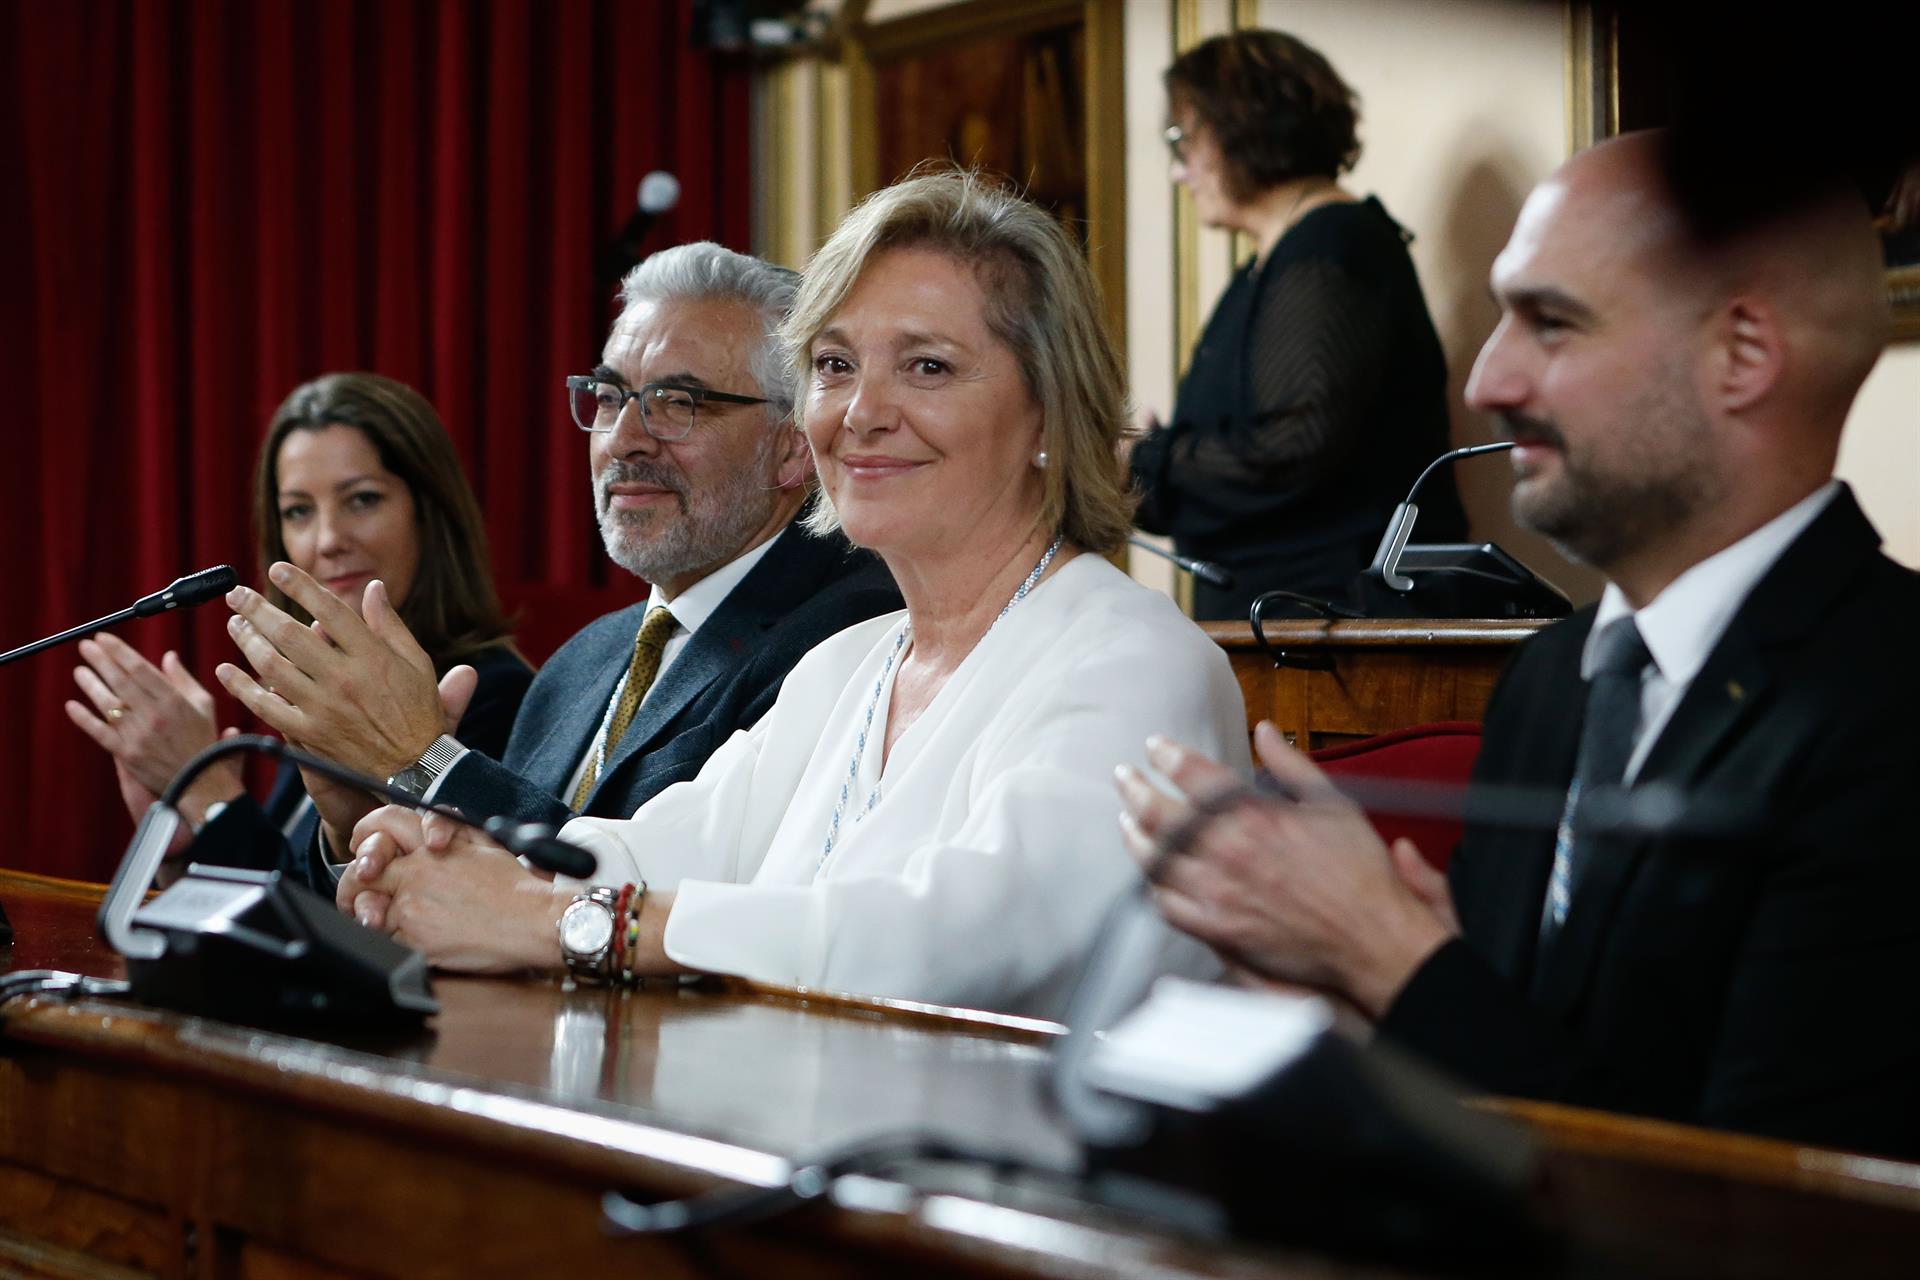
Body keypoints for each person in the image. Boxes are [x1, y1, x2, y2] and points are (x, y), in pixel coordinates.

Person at [1117, 130, 1920, 1157]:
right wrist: (1332, 985)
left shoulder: (1891, 704)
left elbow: (1757, 1208)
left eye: (1551, 322)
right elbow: (1501, 1087)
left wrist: (1386, 951)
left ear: (1744, 355)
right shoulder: (1548, 677)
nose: (1490, 378)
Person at [335, 171, 1251, 1020]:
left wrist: (555, 924)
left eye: (926, 366)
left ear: (1050, 413)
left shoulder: (1140, 664)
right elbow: (651, 851)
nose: (861, 412)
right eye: (835, 364)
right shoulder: (849, 663)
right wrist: (447, 863)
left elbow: (951, 946)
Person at [216, 244, 902, 889]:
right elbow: (463, 904)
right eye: (609, 398)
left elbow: (654, 899)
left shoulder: (846, 635)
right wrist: (349, 821)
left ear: (792, 449)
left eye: (676, 403)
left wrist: (422, 760)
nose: (624, 440)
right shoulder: (584, 660)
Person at [66, 373, 532, 877]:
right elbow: (275, 910)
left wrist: (212, 796)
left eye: (363, 499)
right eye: (298, 511)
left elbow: (362, 939)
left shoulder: (497, 694)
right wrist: (183, 846)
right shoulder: (324, 688)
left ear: (429, 513)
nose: (327, 539)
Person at [1128, 29, 1466, 619]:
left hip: (1333, 634)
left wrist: (1146, 460)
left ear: (1242, 125)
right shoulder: (1280, 259)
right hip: (1289, 624)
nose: (1179, 172)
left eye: (1182, 140)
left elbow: (1294, 444)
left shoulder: (1331, 245)